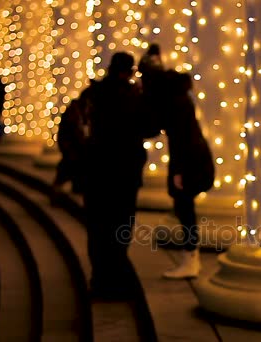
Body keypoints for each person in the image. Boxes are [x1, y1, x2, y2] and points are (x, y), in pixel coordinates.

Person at [82, 52, 159, 300]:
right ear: (130, 70)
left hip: (95, 169)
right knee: (120, 225)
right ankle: (115, 280)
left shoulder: (94, 93)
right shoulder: (133, 97)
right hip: (125, 171)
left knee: (97, 226)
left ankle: (99, 279)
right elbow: (151, 128)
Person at [161, 71, 215, 279]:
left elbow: (181, 142)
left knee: (185, 209)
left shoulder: (177, 105)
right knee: (185, 209)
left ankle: (190, 259)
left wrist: (179, 171)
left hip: (190, 164)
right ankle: (191, 258)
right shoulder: (183, 101)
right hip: (195, 161)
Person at [50, 85, 93, 204]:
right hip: (72, 150)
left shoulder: (82, 111)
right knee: (66, 170)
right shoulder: (74, 112)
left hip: (74, 150)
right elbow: (72, 133)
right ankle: (57, 195)